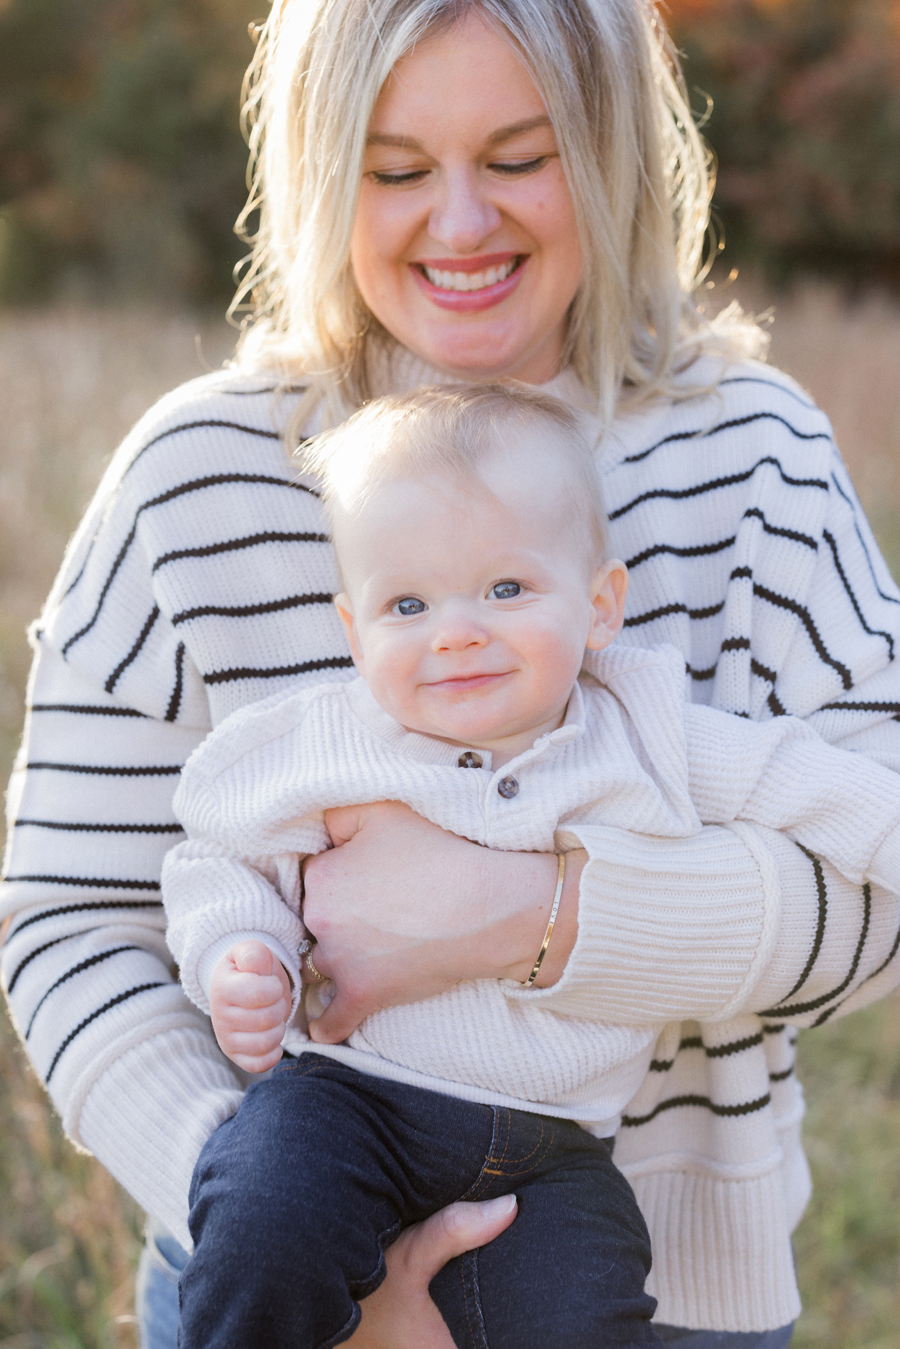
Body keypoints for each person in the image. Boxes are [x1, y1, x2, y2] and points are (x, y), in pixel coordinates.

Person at [1, 1, 898, 1345]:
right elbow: (72, 916)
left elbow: (878, 880)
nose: (462, 223)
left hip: (657, 1289)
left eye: (522, 156)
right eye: (399, 168)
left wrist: (537, 916)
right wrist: (282, 1232)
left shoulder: (753, 456)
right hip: (273, 1268)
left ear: (609, 154)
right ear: (316, 169)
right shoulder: (194, 480)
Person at [162, 382, 900, 1348]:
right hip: (347, 1103)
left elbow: (812, 784)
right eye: (408, 603)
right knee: (261, 1214)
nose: (457, 630)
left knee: (585, 1311)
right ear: (354, 632)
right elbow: (218, 858)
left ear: (600, 605)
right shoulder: (324, 744)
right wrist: (237, 951)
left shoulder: (645, 730)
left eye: (505, 589)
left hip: (554, 1151)